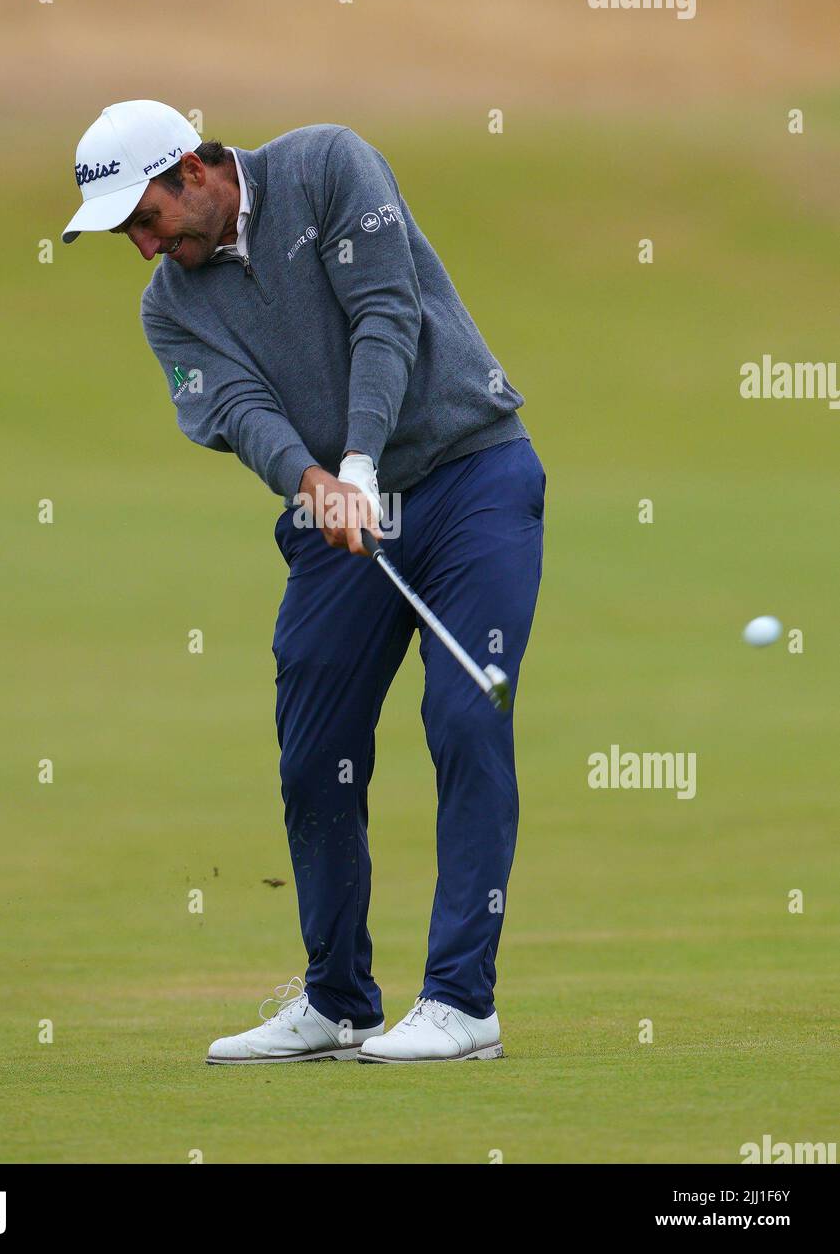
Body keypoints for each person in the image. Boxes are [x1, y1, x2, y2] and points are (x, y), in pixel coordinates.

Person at [62, 100, 546, 1063]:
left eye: (144, 220)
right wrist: (315, 482)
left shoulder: (328, 166)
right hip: (340, 519)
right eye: (125, 235)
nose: (142, 248)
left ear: (193, 173)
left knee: (461, 719)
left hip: (470, 474)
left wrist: (358, 457)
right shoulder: (170, 307)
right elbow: (238, 409)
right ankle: (339, 1002)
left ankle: (460, 1000)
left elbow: (384, 310)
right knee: (312, 747)